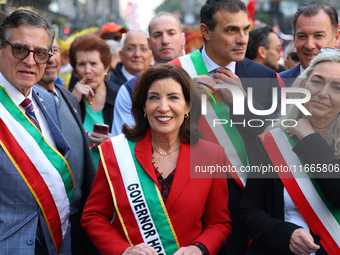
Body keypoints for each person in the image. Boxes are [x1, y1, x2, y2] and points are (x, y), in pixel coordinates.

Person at [81, 63, 232, 255]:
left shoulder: (212, 156)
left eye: (173, 97)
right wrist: (123, 251)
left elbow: (219, 223)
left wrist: (199, 248)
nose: (163, 107)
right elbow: (94, 216)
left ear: (188, 106)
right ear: (144, 105)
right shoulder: (115, 151)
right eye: (154, 98)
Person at [169, 0, 281, 254]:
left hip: (252, 202)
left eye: (246, 29)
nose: (242, 39)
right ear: (206, 32)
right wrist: (187, 99)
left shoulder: (265, 76)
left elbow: (279, 140)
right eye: (231, 30)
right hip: (194, 201)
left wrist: (243, 105)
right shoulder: (176, 75)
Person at [239, 49, 340, 255]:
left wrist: (310, 140)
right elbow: (250, 211)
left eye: (337, 87)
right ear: (303, 85)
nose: (323, 93)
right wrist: (286, 235)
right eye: (317, 81)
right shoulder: (273, 140)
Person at [0, 10, 73, 254]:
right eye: (20, 49)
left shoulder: (47, 100)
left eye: (40, 53)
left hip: (55, 243)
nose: (30, 61)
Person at [35, 38, 97, 255]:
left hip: (79, 220)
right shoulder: (22, 106)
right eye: (42, 52)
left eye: (54, 51)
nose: (50, 59)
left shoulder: (68, 98)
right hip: (44, 227)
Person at [111, 11, 186, 136]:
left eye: (171, 33)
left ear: (183, 38)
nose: (165, 40)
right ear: (149, 43)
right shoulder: (130, 90)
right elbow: (123, 144)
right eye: (157, 35)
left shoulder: (202, 78)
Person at [70, 34, 116, 169]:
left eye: (94, 64)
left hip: (111, 177)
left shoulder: (119, 99)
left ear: (106, 67)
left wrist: (113, 143)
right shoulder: (67, 99)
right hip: (79, 180)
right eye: (81, 64)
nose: (87, 71)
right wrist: (72, 102)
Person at [280, 2, 340, 86]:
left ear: (336, 38)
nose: (309, 45)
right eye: (302, 36)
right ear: (294, 39)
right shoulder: (275, 84)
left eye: (318, 36)